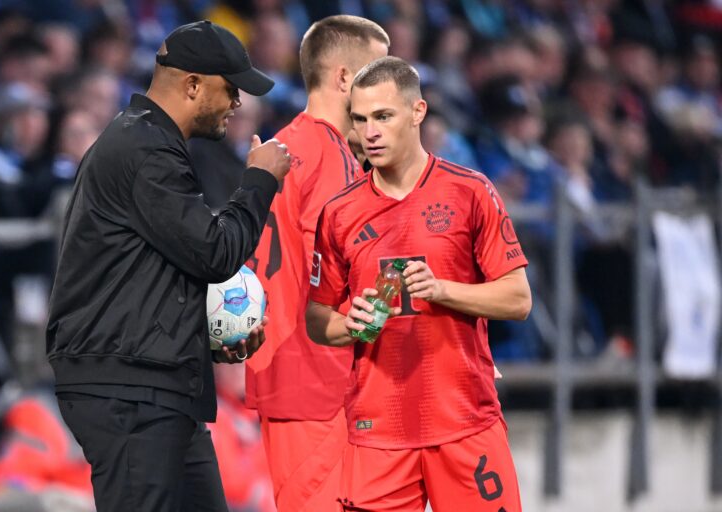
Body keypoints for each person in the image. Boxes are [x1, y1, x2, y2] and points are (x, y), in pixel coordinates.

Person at [45, 21, 291, 512]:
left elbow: (152, 273)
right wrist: (259, 181)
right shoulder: (145, 149)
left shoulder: (146, 141)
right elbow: (216, 253)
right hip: (128, 389)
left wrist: (210, 337)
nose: (237, 102)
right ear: (193, 85)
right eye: (231, 88)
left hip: (154, 381)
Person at [306, 56, 530, 511]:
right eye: (360, 119)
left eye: (383, 116)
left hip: (465, 421)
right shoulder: (339, 213)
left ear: (417, 112)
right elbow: (316, 317)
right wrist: (349, 324)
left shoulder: (470, 191)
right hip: (378, 431)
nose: (370, 132)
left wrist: (443, 290)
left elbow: (518, 298)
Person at [244, 15, 389, 511]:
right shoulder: (327, 158)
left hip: (298, 375)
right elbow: (339, 277)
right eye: (376, 73)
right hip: (317, 378)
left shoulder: (290, 146)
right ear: (344, 78)